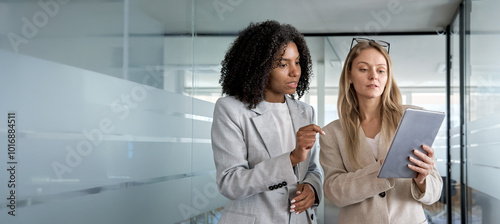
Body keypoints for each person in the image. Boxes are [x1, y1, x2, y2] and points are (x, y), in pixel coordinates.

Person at [211, 20, 324, 224]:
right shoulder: (231, 109)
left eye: (297, 62)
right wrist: (291, 158)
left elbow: (313, 169)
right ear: (258, 68)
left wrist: (312, 188)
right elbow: (230, 183)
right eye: (283, 64)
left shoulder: (305, 112)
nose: (295, 71)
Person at [319, 38, 443, 223]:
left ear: (387, 77)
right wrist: (381, 170)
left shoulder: (413, 117)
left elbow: (434, 192)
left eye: (381, 70)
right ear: (349, 76)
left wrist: (423, 179)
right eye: (363, 69)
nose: (373, 76)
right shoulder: (332, 133)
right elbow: (334, 192)